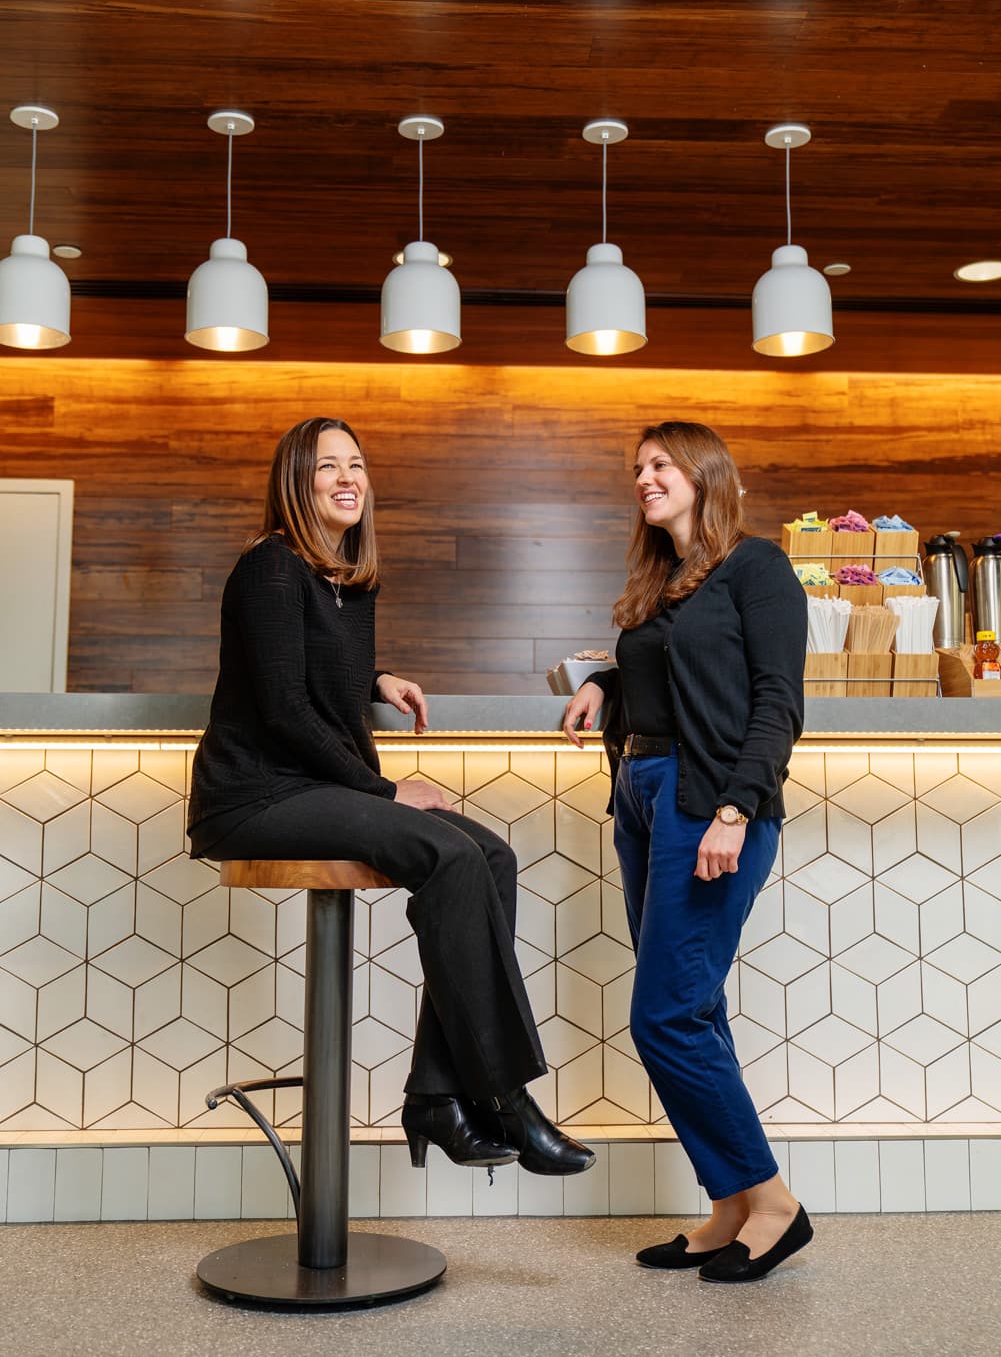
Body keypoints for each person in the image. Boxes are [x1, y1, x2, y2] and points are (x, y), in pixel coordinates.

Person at [188, 417, 593, 1178]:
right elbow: (280, 707)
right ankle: (503, 1096)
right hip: (253, 797)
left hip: (308, 787)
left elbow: (309, 675)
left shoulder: (347, 580)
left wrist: (374, 680)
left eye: (357, 465)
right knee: (445, 851)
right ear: (295, 483)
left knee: (490, 854)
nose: (347, 478)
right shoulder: (270, 567)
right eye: (326, 467)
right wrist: (384, 788)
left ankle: (437, 1096)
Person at [563, 421, 812, 1283]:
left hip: (708, 802)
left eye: (661, 464)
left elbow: (778, 699)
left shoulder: (758, 567)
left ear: (704, 473)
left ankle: (771, 1202)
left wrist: (736, 809)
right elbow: (659, 673)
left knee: (663, 1015)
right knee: (692, 1009)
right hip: (643, 794)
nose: (644, 478)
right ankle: (727, 1207)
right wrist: (602, 680)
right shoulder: (663, 581)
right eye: (636, 468)